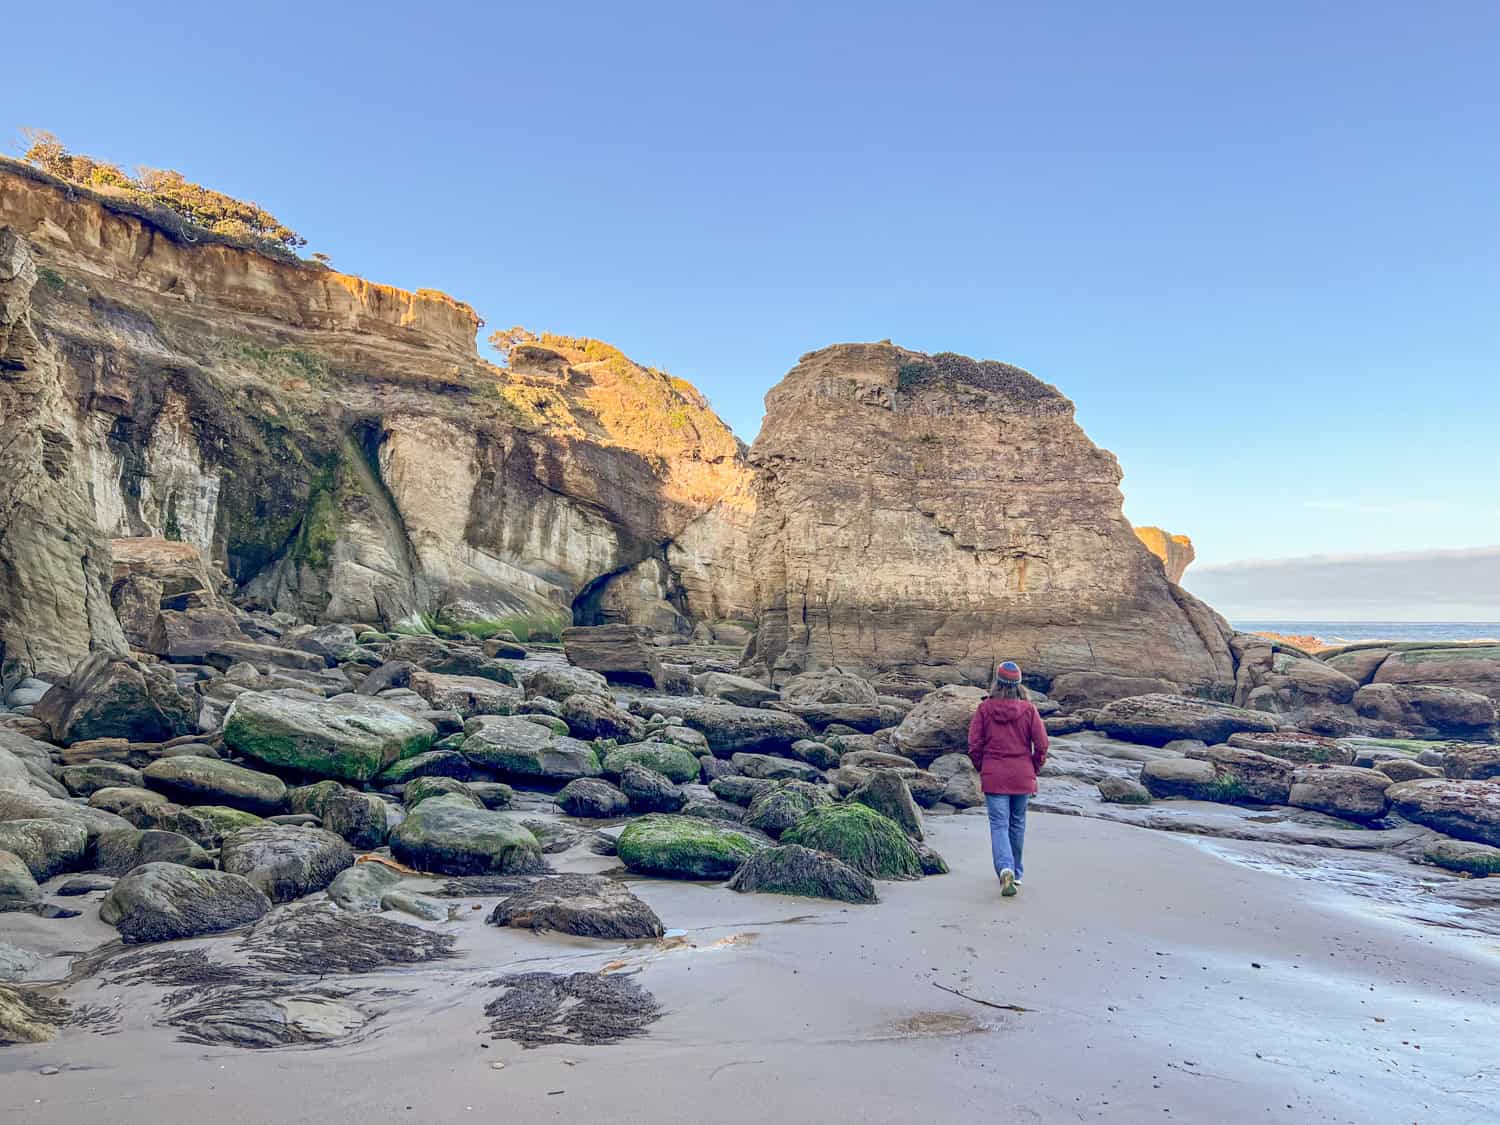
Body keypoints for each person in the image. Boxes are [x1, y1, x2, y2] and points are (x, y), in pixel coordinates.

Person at [967, 660, 1049, 898]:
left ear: (997, 682)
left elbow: (974, 744)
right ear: (1019, 684)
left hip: (995, 774)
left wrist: (983, 767)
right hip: (1022, 775)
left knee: (999, 825)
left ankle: (1005, 868)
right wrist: (1033, 768)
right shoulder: (1029, 710)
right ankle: (1017, 872)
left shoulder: (984, 709)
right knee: (1017, 824)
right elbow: (1042, 745)